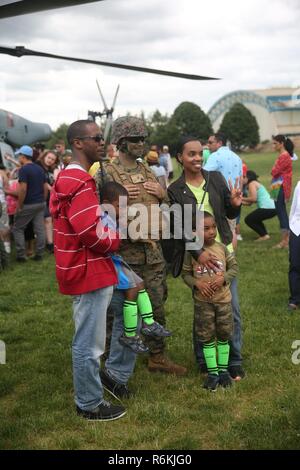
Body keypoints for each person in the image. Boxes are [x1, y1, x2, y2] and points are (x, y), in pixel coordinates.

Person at [50, 119, 130, 421]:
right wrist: (116, 239)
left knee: (110, 325)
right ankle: (89, 403)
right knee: (89, 343)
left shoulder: (69, 178)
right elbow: (91, 232)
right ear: (78, 143)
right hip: (87, 272)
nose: (101, 142)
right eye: (96, 138)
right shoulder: (79, 181)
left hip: (85, 268)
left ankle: (110, 377)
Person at [95, 116, 187, 376]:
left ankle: (157, 356)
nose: (141, 144)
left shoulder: (147, 169)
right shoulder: (106, 173)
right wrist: (118, 197)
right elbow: (98, 213)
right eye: (136, 139)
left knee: (156, 305)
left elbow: (165, 207)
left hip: (153, 253)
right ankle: (112, 362)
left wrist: (163, 194)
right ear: (121, 142)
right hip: (124, 254)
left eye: (143, 139)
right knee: (119, 311)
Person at [168, 136, 245, 381]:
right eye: (191, 154)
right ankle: (205, 361)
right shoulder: (174, 190)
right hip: (197, 258)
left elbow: (227, 212)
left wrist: (234, 205)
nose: (197, 158)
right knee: (203, 311)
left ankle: (233, 360)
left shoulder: (216, 179)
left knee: (229, 308)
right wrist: (198, 253)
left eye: (200, 153)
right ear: (180, 157)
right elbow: (177, 227)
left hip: (222, 252)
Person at [100, 181, 171, 354]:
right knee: (132, 290)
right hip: (108, 262)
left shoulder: (112, 217)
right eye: (119, 206)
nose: (122, 210)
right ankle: (130, 334)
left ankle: (149, 323)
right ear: (105, 202)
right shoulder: (102, 218)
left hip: (116, 260)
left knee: (140, 285)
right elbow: (108, 242)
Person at [182, 212, 238, 391]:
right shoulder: (192, 252)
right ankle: (212, 373)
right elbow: (185, 274)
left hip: (223, 301)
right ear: (194, 232)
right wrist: (196, 283)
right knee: (206, 338)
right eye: (206, 229)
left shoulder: (222, 248)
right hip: (203, 303)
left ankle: (223, 371)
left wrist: (224, 279)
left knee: (224, 335)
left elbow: (234, 267)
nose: (212, 231)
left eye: (213, 227)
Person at [12, 145, 48, 262]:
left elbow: (22, 189)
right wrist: (43, 200)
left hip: (28, 204)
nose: (18, 159)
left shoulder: (23, 169)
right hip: (40, 203)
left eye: (19, 156)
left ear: (23, 156)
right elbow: (45, 187)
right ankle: (39, 254)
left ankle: (21, 256)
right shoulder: (39, 168)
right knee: (40, 229)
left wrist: (20, 205)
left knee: (17, 228)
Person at [271, 135, 293, 249]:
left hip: (281, 186)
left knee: (281, 213)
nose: (273, 145)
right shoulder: (282, 155)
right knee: (281, 212)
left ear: (281, 143)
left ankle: (286, 240)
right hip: (278, 186)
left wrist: (273, 168)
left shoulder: (284, 156)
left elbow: (274, 171)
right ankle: (286, 239)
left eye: (275, 143)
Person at [242, 170, 277, 241]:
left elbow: (253, 199)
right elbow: (250, 203)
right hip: (272, 208)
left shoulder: (252, 183)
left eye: (244, 177)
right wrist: (239, 202)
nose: (242, 178)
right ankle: (264, 235)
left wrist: (241, 198)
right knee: (255, 219)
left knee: (249, 219)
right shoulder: (254, 183)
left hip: (268, 208)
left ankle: (264, 235)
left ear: (248, 178)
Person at [288, 180, 300, 311]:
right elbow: (294, 209)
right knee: (295, 264)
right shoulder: (299, 185)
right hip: (297, 228)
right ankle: (295, 299)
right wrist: (291, 229)